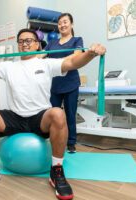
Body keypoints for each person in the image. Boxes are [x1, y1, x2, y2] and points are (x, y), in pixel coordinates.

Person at [0, 28, 106, 200]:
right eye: (21, 41)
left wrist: (91, 53)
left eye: (29, 40)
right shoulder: (8, 66)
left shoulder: (46, 63)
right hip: (14, 117)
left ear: (38, 45)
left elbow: (72, 62)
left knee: (58, 113)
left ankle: (56, 171)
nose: (24, 44)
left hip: (40, 118)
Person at [45, 13, 84, 153]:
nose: (62, 25)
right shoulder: (51, 44)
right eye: (60, 23)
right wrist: (25, 59)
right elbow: (40, 56)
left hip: (71, 83)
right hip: (55, 85)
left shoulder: (77, 40)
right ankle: (53, 140)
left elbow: (77, 55)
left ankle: (71, 142)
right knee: (52, 115)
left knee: (70, 114)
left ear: (71, 24)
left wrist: (57, 62)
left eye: (65, 22)